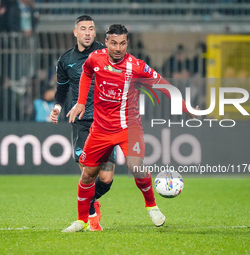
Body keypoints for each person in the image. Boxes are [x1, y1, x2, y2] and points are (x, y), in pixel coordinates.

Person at [63, 24, 196, 232]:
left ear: (127, 43)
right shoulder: (95, 59)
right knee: (89, 174)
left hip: (129, 127)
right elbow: (87, 73)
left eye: (122, 43)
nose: (118, 48)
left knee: (135, 165)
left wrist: (185, 107)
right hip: (101, 129)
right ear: (106, 42)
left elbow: (163, 85)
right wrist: (80, 102)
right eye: (114, 43)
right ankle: (81, 221)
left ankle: (151, 206)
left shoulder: (137, 66)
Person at [50, 15, 115, 231]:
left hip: (105, 122)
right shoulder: (65, 59)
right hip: (81, 122)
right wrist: (58, 108)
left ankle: (88, 202)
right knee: (89, 171)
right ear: (75, 32)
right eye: (83, 29)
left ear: (95, 32)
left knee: (105, 179)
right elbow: (61, 88)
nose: (87, 32)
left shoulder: (106, 54)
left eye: (91, 29)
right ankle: (91, 214)